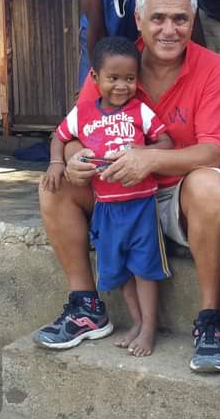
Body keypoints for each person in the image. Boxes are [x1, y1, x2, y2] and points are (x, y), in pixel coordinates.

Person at [36, 0, 220, 373]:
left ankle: (210, 319)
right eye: (158, 18)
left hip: (179, 196)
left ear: (193, 22)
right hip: (118, 194)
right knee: (54, 184)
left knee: (209, 186)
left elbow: (213, 152)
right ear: (139, 20)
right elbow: (75, 129)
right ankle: (87, 306)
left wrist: (149, 158)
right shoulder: (115, 63)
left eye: (180, 19)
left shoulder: (215, 70)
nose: (169, 30)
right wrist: (73, 157)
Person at [42, 36, 175, 356]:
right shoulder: (82, 113)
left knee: (144, 269)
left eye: (129, 78)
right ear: (94, 77)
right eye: (113, 78)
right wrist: (57, 163)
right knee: (121, 271)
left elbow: (166, 143)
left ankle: (149, 329)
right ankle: (136, 322)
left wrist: (143, 152)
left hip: (141, 207)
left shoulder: (140, 111)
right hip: (106, 208)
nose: (122, 86)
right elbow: (59, 136)